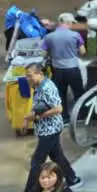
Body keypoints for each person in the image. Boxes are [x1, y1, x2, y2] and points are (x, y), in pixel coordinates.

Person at [22, 64, 80, 192]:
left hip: (50, 130)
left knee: (37, 162)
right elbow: (39, 106)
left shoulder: (47, 87)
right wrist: (28, 118)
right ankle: (72, 178)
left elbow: (58, 109)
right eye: (26, 76)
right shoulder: (38, 86)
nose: (27, 78)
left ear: (39, 74)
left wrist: (37, 117)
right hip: (45, 129)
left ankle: (30, 189)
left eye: (29, 75)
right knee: (57, 156)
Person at [41, 14, 85, 123]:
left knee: (60, 93)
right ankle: (81, 115)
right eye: (71, 22)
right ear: (66, 22)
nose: (71, 25)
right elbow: (83, 52)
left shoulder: (49, 36)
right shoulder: (75, 35)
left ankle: (64, 117)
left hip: (57, 70)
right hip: (73, 68)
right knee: (78, 92)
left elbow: (43, 54)